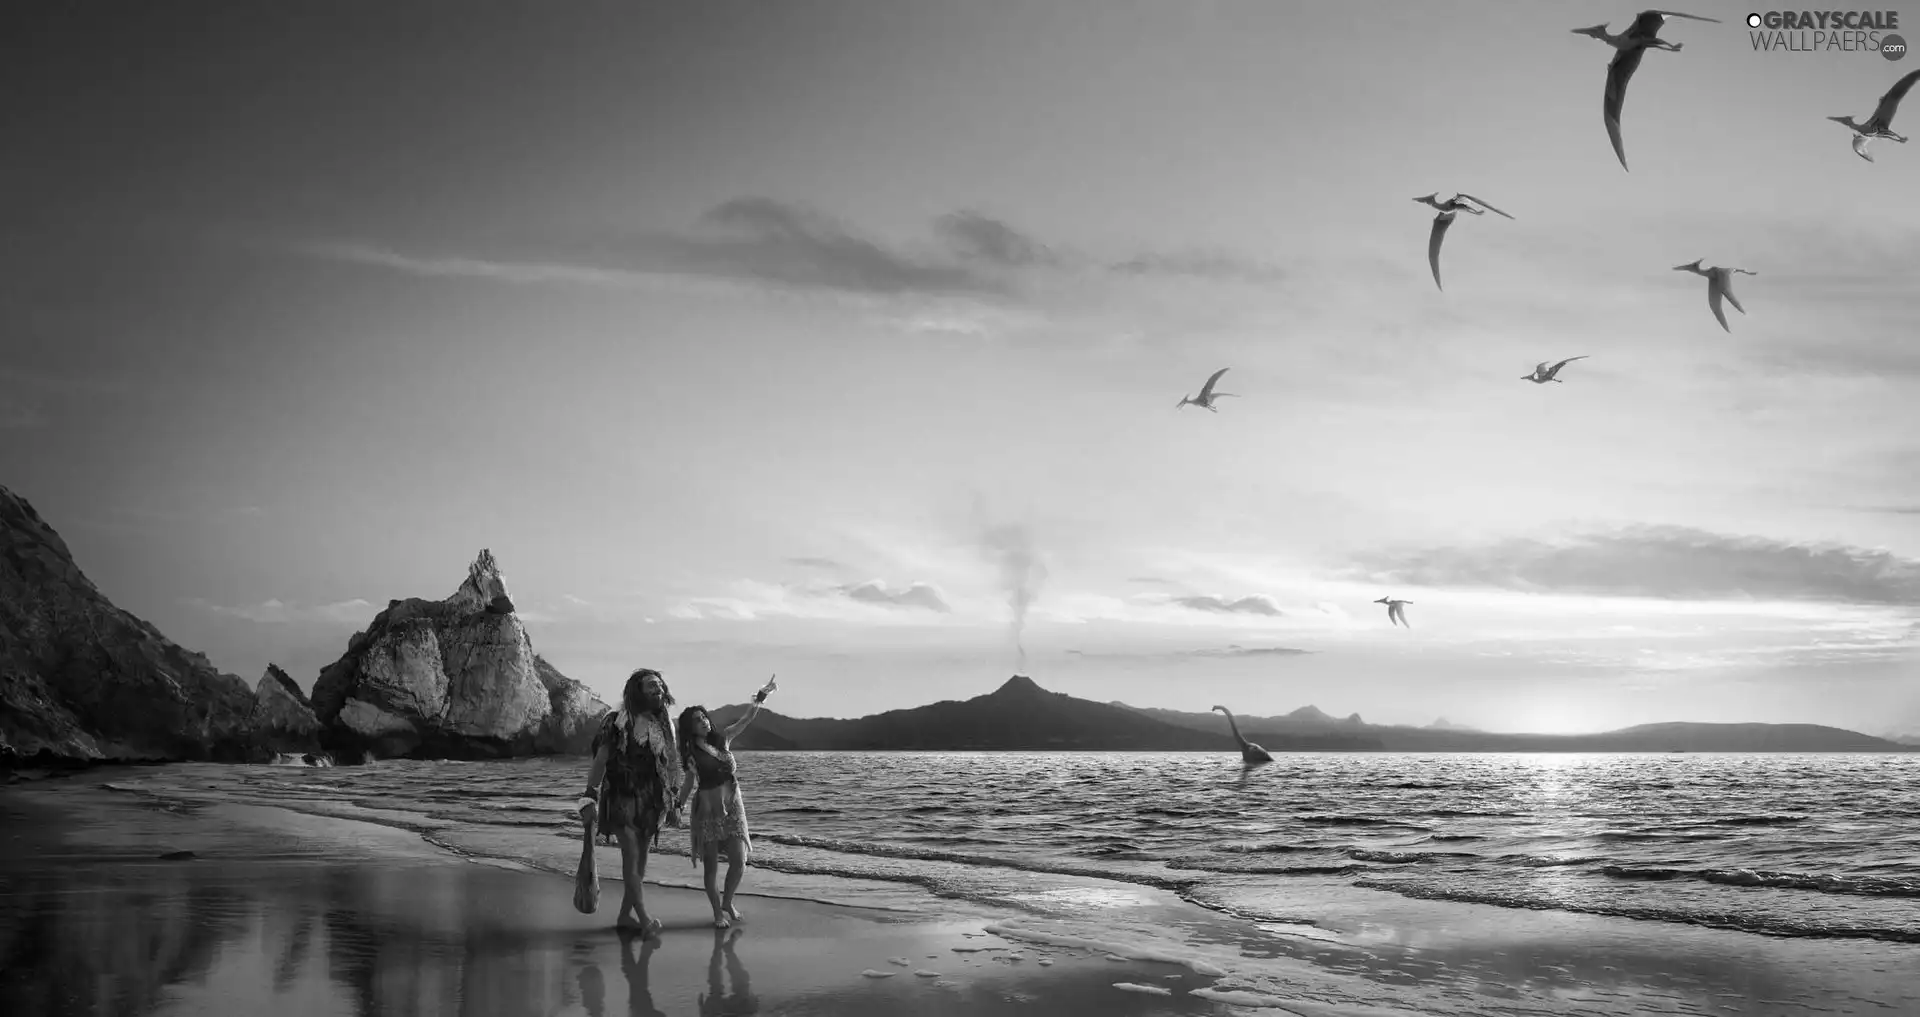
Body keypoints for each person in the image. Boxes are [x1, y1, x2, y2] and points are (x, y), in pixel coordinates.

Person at [579, 668, 683, 935]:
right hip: (621, 795)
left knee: (641, 863)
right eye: (651, 685)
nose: (657, 689)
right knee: (631, 856)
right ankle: (644, 918)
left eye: (660, 685)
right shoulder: (616, 721)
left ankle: (625, 916)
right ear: (637, 690)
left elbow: (672, 764)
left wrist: (675, 800)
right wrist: (590, 793)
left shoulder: (665, 725)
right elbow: (601, 759)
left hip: (652, 800)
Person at [673, 681, 770, 928]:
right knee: (711, 868)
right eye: (697, 720)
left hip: (733, 805)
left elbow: (746, 720)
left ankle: (727, 901)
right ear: (690, 728)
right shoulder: (691, 752)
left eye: (704, 717)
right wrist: (678, 807)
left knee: (739, 860)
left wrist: (761, 696)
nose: (704, 721)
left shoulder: (723, 738)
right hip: (707, 808)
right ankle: (717, 913)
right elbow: (688, 783)